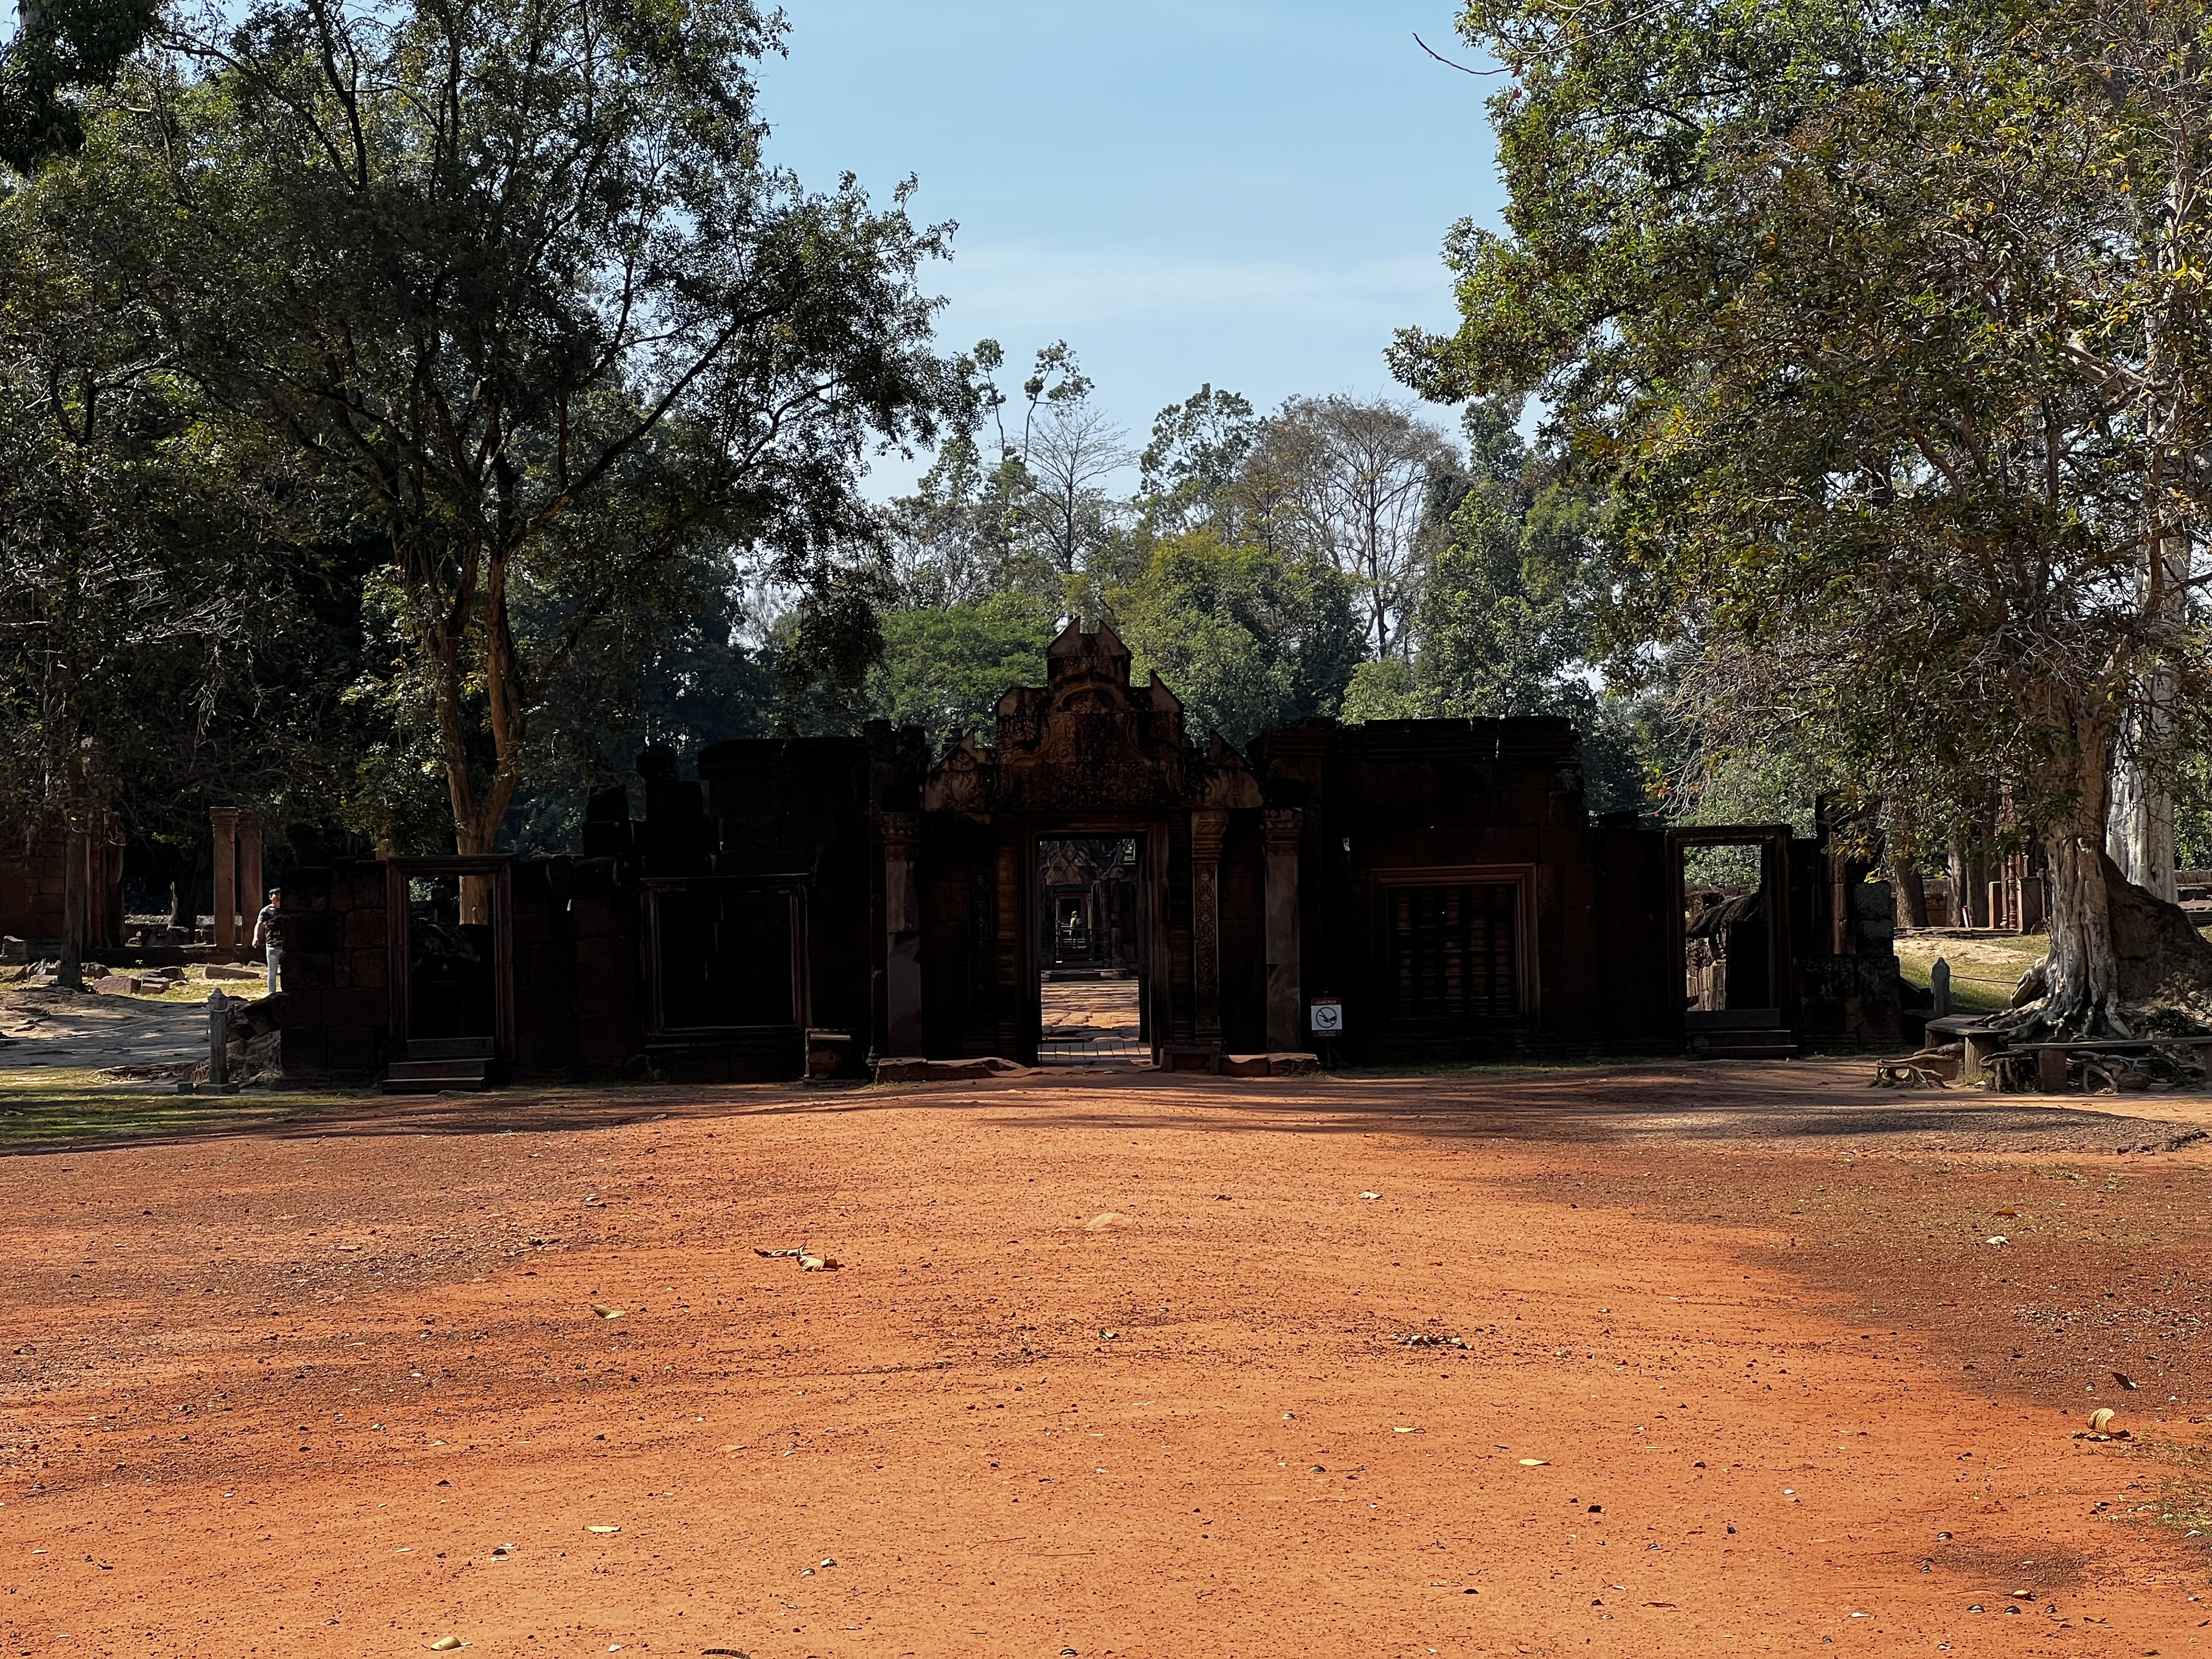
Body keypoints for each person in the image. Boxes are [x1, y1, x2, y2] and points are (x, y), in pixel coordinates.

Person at [251, 888, 284, 993]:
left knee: (287, 971)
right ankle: (272, 993)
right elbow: (259, 924)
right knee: (272, 972)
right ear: (271, 897)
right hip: (271, 945)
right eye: (276, 896)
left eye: (280, 896)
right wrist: (255, 937)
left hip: (285, 946)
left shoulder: (287, 910)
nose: (279, 898)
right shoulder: (266, 911)